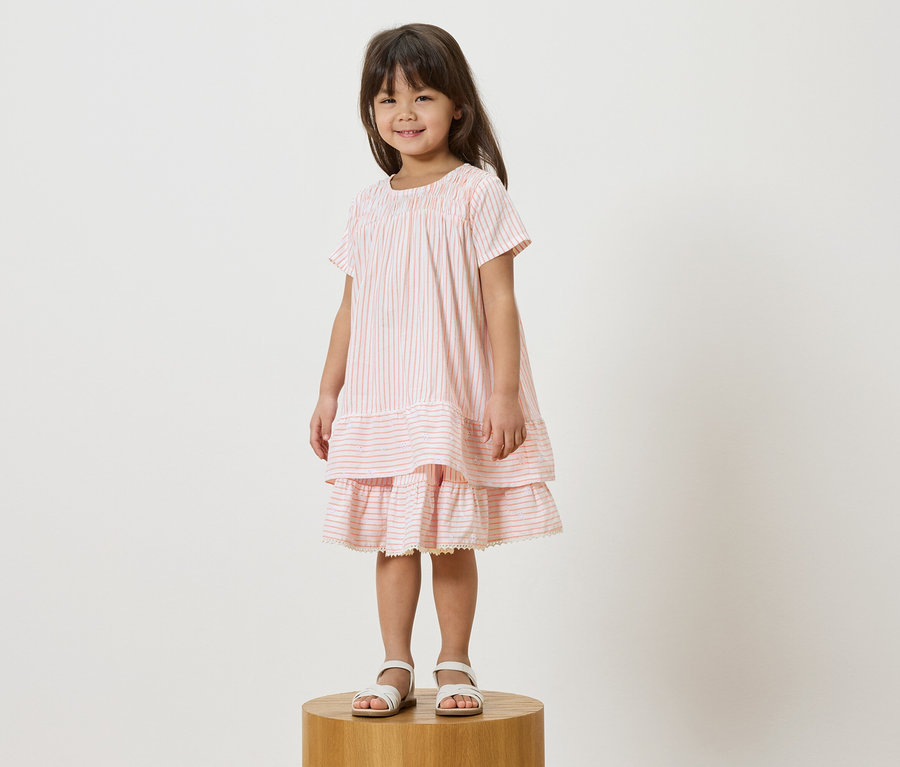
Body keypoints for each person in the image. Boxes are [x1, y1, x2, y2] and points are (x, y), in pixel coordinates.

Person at [309, 23, 562, 718]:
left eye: (422, 95)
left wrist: (503, 392)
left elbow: (501, 299)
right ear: (371, 112)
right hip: (382, 395)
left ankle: (455, 658)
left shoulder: (477, 193)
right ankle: (396, 662)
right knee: (394, 537)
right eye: (388, 99)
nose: (406, 113)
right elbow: (350, 308)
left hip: (450, 391)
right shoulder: (368, 204)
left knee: (448, 533)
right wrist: (329, 390)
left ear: (458, 107)